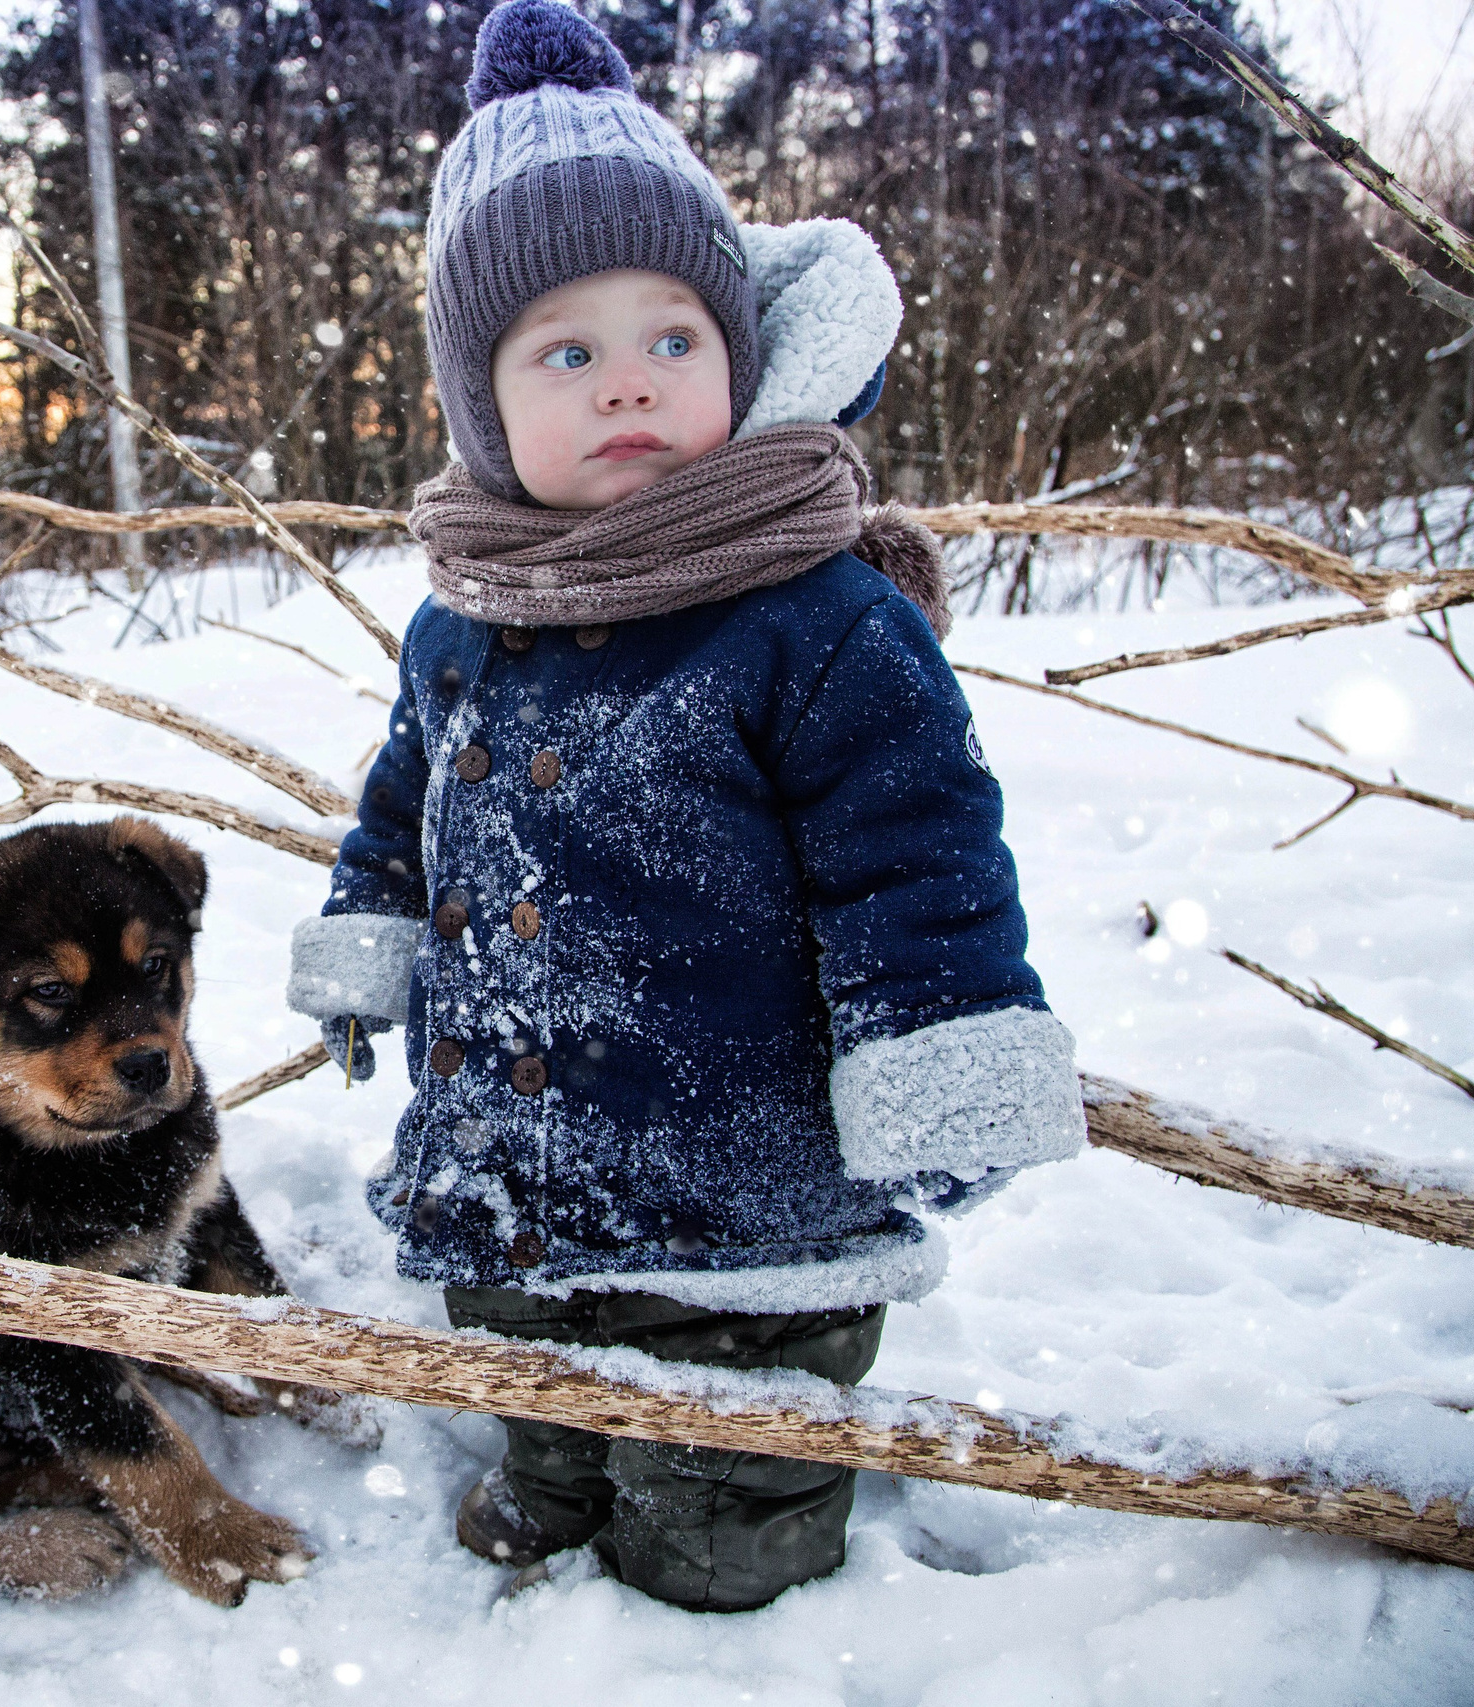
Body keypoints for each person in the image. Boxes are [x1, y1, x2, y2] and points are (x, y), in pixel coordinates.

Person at [283, 0, 1085, 1613]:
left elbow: (916, 852)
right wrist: (370, 929)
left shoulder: (813, 615)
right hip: (515, 1173)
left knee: (717, 1515)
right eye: (566, 353)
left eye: (673, 340)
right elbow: (404, 802)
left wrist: (941, 1047)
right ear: (482, 406)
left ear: (738, 355)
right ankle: (557, 1471)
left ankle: (707, 1588)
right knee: (542, 1398)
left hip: (742, 1195)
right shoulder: (463, 616)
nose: (628, 386)